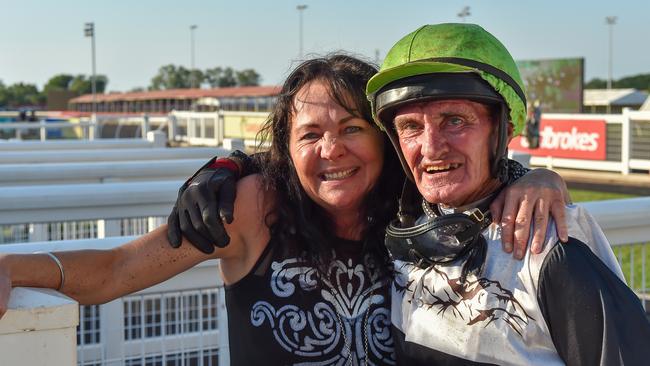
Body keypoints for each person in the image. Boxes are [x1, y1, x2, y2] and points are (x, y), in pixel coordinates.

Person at [0, 55, 568, 365]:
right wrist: (12, 267)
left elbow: (470, 168)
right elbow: (115, 271)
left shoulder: (414, 208)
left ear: (385, 142)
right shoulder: (251, 208)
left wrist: (539, 176)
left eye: (352, 129)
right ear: (285, 146)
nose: (331, 150)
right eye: (310, 134)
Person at [363, 23, 650, 365]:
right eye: (410, 127)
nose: (431, 148)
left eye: (455, 121)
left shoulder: (551, 249)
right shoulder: (398, 230)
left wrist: (538, 177)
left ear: (503, 131)